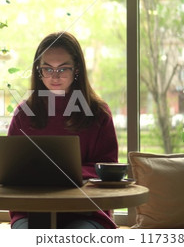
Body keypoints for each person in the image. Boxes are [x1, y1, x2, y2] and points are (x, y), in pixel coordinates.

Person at [7, 31, 119, 229]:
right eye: (47, 69)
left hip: (88, 212)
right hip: (32, 211)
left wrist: (65, 173)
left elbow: (108, 168)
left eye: (63, 69)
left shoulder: (98, 113)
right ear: (38, 70)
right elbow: (10, 171)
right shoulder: (24, 113)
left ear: (77, 69)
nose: (54, 77)